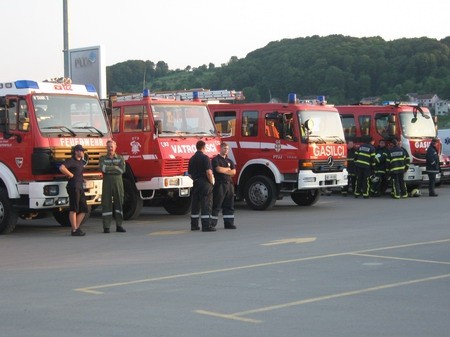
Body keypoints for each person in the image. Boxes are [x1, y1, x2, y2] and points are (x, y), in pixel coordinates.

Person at [59, 144, 88, 236]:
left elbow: (79, 172)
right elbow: (61, 168)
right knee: (74, 209)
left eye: (83, 151)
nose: (83, 152)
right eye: (81, 151)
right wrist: (70, 175)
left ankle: (76, 227)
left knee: (84, 209)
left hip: (80, 186)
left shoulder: (81, 162)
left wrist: (83, 179)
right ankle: (74, 229)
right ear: (76, 152)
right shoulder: (71, 161)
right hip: (73, 186)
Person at [99, 140, 126, 233]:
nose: (110, 148)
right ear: (106, 147)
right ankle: (106, 226)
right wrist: (115, 168)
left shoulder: (120, 158)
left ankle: (119, 225)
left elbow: (122, 170)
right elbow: (102, 168)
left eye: (112, 146)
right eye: (109, 146)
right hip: (107, 183)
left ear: (115, 147)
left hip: (118, 183)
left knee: (119, 203)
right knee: (106, 204)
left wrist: (109, 169)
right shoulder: (102, 159)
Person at [188, 140, 215, 232]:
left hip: (195, 183)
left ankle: (194, 225)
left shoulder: (191, 159)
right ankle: (206, 226)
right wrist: (211, 182)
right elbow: (208, 172)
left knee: (195, 205)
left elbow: (190, 175)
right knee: (206, 205)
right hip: (205, 183)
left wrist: (196, 180)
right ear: (203, 147)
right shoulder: (205, 158)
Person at [211, 142, 237, 229]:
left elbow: (233, 172)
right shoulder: (216, 160)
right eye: (224, 148)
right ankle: (212, 224)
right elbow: (218, 169)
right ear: (220, 149)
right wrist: (227, 169)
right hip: (220, 185)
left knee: (229, 204)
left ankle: (229, 223)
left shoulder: (229, 160)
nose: (226, 150)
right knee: (217, 204)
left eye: (227, 149)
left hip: (229, 185)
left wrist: (225, 170)